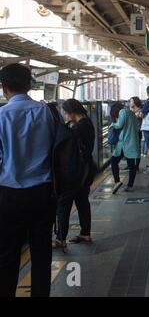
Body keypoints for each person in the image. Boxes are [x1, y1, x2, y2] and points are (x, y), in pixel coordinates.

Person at [0, 63, 56, 297]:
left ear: (4, 89)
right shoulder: (46, 112)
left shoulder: (1, 115)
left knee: (6, 256)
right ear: (30, 86)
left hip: (9, 195)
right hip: (42, 193)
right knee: (42, 255)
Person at [53, 99, 95, 248]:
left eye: (65, 112)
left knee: (64, 203)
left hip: (75, 171)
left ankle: (60, 238)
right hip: (85, 170)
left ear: (71, 112)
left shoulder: (77, 128)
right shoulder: (87, 122)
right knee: (82, 201)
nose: (64, 115)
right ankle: (85, 233)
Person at [110, 102, 140, 193]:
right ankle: (129, 186)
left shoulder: (123, 111)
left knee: (114, 161)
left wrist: (113, 125)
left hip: (125, 143)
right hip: (130, 142)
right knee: (131, 166)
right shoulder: (131, 113)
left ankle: (117, 181)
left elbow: (119, 125)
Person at [130, 97, 143, 171]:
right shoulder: (130, 110)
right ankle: (131, 165)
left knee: (137, 149)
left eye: (131, 101)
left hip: (137, 132)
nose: (130, 103)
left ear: (135, 102)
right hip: (131, 132)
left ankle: (136, 166)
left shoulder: (140, 111)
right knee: (130, 149)